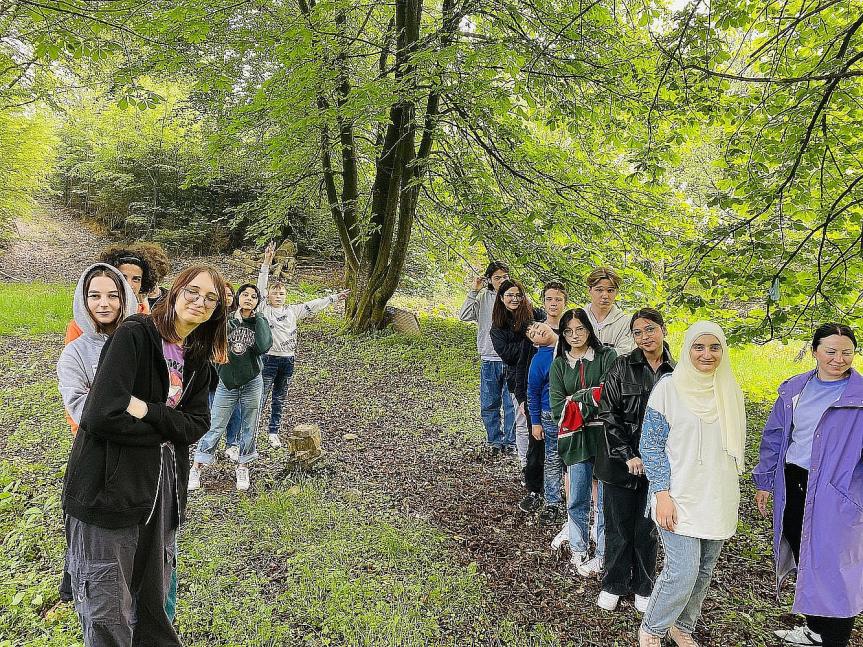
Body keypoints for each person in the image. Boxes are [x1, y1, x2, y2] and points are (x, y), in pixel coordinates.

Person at [62, 265, 228, 646]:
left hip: (161, 493)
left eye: (210, 298)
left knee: (153, 602)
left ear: (218, 310)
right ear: (174, 293)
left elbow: (197, 424)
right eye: (192, 291)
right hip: (107, 490)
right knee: (108, 604)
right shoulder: (135, 335)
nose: (199, 302)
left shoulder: (197, 357)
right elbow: (100, 414)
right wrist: (167, 430)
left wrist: (146, 410)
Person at [638, 321, 746, 647]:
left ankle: (682, 626)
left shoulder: (730, 390)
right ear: (687, 349)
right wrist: (662, 494)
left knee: (703, 571)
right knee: (682, 571)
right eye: (699, 347)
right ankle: (652, 630)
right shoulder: (669, 388)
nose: (707, 354)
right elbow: (650, 445)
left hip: (718, 494)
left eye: (714, 347)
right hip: (677, 495)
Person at [754, 323, 862, 647]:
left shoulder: (859, 398)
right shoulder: (795, 389)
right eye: (830, 351)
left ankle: (835, 639)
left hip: (839, 491)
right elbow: (775, 435)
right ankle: (815, 630)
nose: (838, 358)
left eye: (846, 352)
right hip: (794, 484)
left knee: (837, 568)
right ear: (815, 351)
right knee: (804, 554)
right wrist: (764, 480)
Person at [594, 308, 675, 613]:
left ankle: (643, 584)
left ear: (663, 329)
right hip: (619, 463)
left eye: (650, 329)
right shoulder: (621, 366)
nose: (644, 337)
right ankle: (613, 583)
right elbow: (608, 413)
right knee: (617, 525)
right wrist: (628, 454)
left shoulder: (676, 372)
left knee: (647, 528)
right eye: (638, 332)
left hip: (657, 466)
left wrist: (655, 460)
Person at [256, 243, 348, 447]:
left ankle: (273, 432)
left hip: (288, 360)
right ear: (268, 296)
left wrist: (334, 298)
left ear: (286, 296)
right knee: (260, 398)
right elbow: (260, 285)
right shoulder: (263, 308)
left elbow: (314, 305)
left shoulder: (292, 311)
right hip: (269, 359)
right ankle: (251, 432)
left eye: (282, 294)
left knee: (279, 398)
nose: (278, 296)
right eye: (275, 293)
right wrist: (266, 262)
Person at [549, 308, 617, 577]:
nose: (574, 335)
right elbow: (557, 407)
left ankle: (602, 552)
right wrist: (586, 399)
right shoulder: (559, 365)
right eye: (568, 331)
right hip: (575, 439)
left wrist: (576, 400)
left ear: (589, 330)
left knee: (603, 500)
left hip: (604, 438)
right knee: (576, 496)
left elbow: (609, 396)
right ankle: (578, 548)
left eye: (580, 329)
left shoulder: (606, 356)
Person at [190, 283, 272, 491]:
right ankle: (197, 466)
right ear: (237, 297)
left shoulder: (258, 322)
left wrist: (259, 318)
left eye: (254, 296)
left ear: (257, 302)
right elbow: (210, 347)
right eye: (245, 294)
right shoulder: (224, 320)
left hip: (252, 381)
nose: (249, 298)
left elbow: (263, 346)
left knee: (249, 425)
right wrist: (219, 367)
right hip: (227, 384)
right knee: (215, 424)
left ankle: (243, 465)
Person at [458, 261, 516, 455]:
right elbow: (464, 315)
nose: (501, 281)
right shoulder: (484, 298)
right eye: (497, 277)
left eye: (504, 277)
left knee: (511, 404)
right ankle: (494, 440)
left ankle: (511, 442)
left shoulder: (515, 297)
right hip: (489, 357)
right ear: (489, 280)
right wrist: (473, 291)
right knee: (489, 402)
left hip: (511, 359)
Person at [490, 278, 545, 468]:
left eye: (518, 295)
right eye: (509, 295)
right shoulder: (498, 326)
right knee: (522, 422)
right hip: (518, 379)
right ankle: (525, 464)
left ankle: (545, 464)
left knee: (544, 421)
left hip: (543, 374)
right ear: (501, 298)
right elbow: (507, 355)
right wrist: (529, 342)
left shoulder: (536, 314)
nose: (514, 299)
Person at [64, 248, 154, 344]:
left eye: (136, 279)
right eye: (123, 278)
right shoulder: (80, 325)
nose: (129, 285)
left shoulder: (150, 321)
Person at [526, 321, 562, 525]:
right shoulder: (539, 359)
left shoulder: (569, 344)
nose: (537, 331)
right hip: (550, 415)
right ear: (534, 343)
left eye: (537, 326)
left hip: (576, 412)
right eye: (532, 334)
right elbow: (533, 392)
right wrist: (536, 422)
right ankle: (552, 502)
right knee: (553, 458)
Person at [209, 283, 243, 462]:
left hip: (233, 373)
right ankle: (210, 447)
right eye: (224, 294)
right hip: (213, 372)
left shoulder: (239, 318)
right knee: (213, 411)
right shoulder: (210, 317)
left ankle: (233, 444)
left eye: (230, 294)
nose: (228, 297)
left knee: (235, 411)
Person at [583, 267, 635, 354]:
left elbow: (626, 354)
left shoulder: (625, 322)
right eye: (599, 290)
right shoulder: (577, 318)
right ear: (589, 290)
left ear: (616, 292)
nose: (605, 295)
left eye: (610, 290)